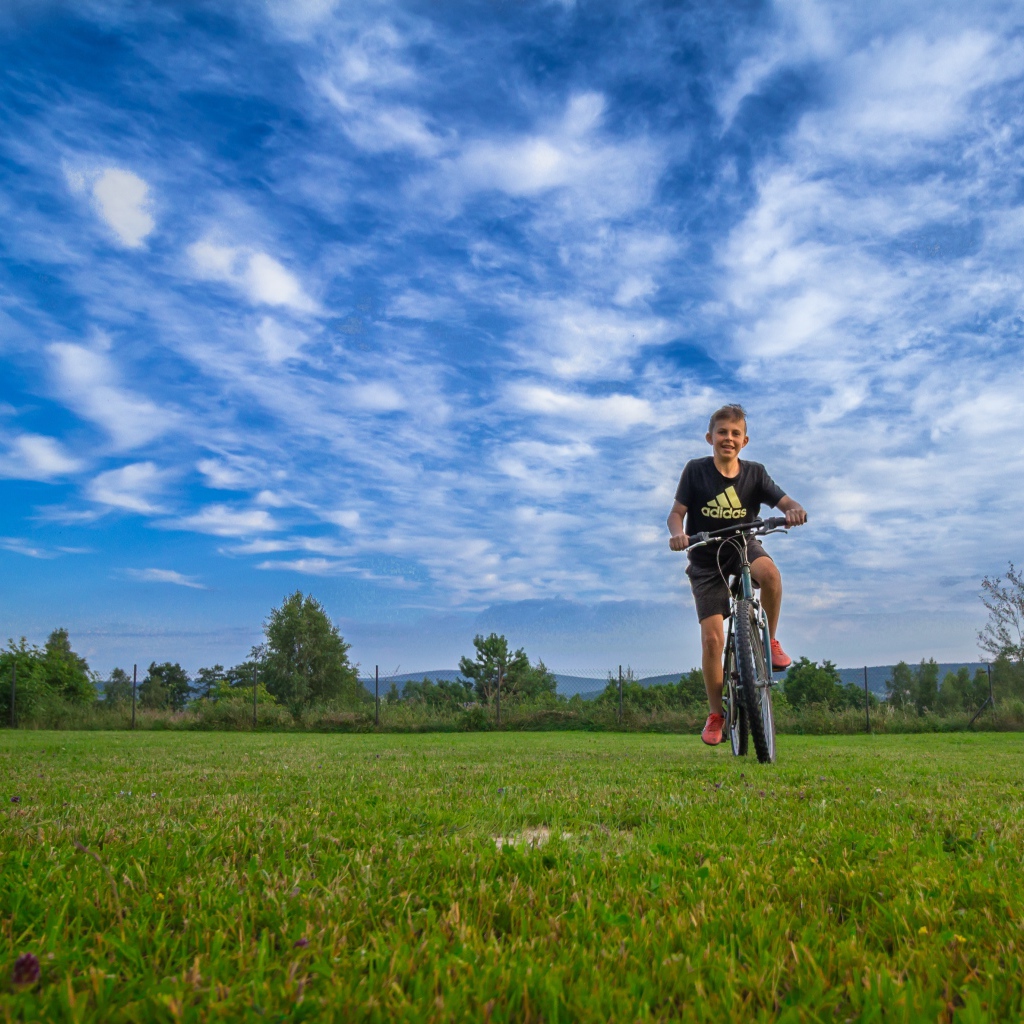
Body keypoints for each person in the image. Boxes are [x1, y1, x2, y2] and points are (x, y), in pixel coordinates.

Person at [666, 404, 806, 746]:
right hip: (705, 555)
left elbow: (784, 501)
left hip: (742, 545)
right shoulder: (695, 471)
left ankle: (769, 641)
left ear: (744, 441)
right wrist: (677, 534)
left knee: (770, 575)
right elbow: (676, 513)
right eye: (722, 432)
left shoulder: (755, 474)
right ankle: (716, 714)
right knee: (712, 638)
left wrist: (794, 510)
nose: (728, 439)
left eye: (735, 433)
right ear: (710, 437)